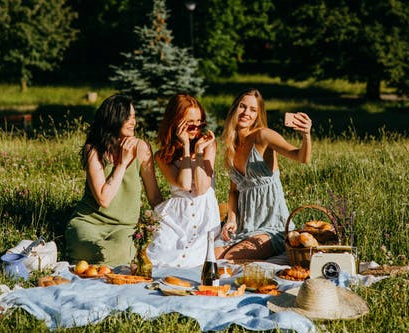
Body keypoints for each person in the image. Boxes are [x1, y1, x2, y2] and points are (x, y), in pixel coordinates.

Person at [65, 94, 163, 266]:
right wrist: (122, 163)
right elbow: (104, 199)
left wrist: (172, 223)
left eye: (134, 117)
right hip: (89, 222)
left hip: (124, 228)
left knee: (120, 253)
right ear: (113, 118)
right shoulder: (94, 150)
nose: (133, 122)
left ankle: (96, 262)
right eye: (127, 117)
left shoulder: (141, 148)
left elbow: (154, 195)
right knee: (91, 248)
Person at [214, 88, 312, 260]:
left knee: (230, 259)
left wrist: (306, 135)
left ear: (258, 115)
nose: (246, 113)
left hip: (272, 228)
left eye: (253, 110)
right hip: (243, 228)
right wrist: (231, 220)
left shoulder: (263, 136)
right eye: (242, 107)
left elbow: (301, 157)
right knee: (209, 257)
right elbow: (234, 191)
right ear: (234, 109)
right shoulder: (232, 146)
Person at [147, 93, 221, 268]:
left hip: (204, 213)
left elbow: (202, 188)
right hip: (177, 215)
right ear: (176, 122)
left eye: (199, 122)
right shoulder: (162, 155)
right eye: (190, 123)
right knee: (162, 255)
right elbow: (185, 184)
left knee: (197, 258)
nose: (196, 127)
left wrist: (199, 152)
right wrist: (187, 147)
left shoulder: (208, 145)